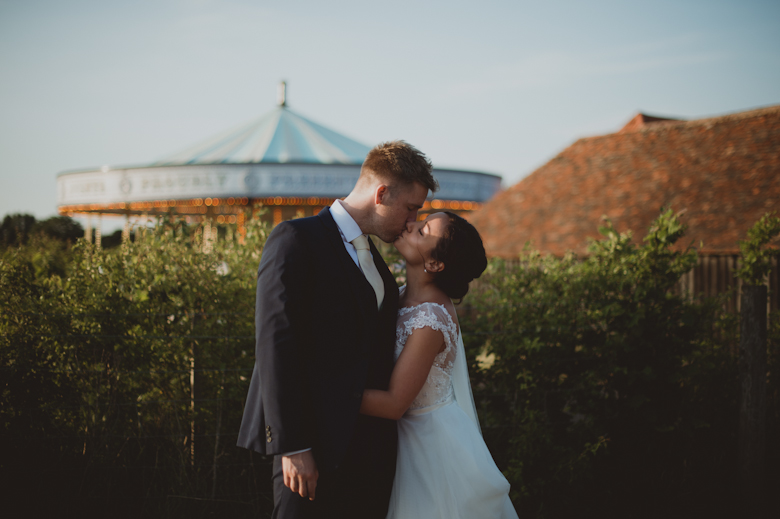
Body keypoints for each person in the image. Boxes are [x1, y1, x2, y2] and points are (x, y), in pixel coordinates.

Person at [237, 141, 438, 519]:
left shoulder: (378, 264)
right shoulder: (296, 239)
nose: (412, 221)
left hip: (368, 455)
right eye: (411, 208)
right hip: (309, 448)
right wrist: (292, 446)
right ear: (381, 194)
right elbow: (275, 345)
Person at [359, 211, 519, 518]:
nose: (410, 224)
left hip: (429, 449)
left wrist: (326, 394)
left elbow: (394, 404)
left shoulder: (430, 319)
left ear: (434, 264)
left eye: (422, 231)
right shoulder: (401, 294)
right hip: (400, 440)